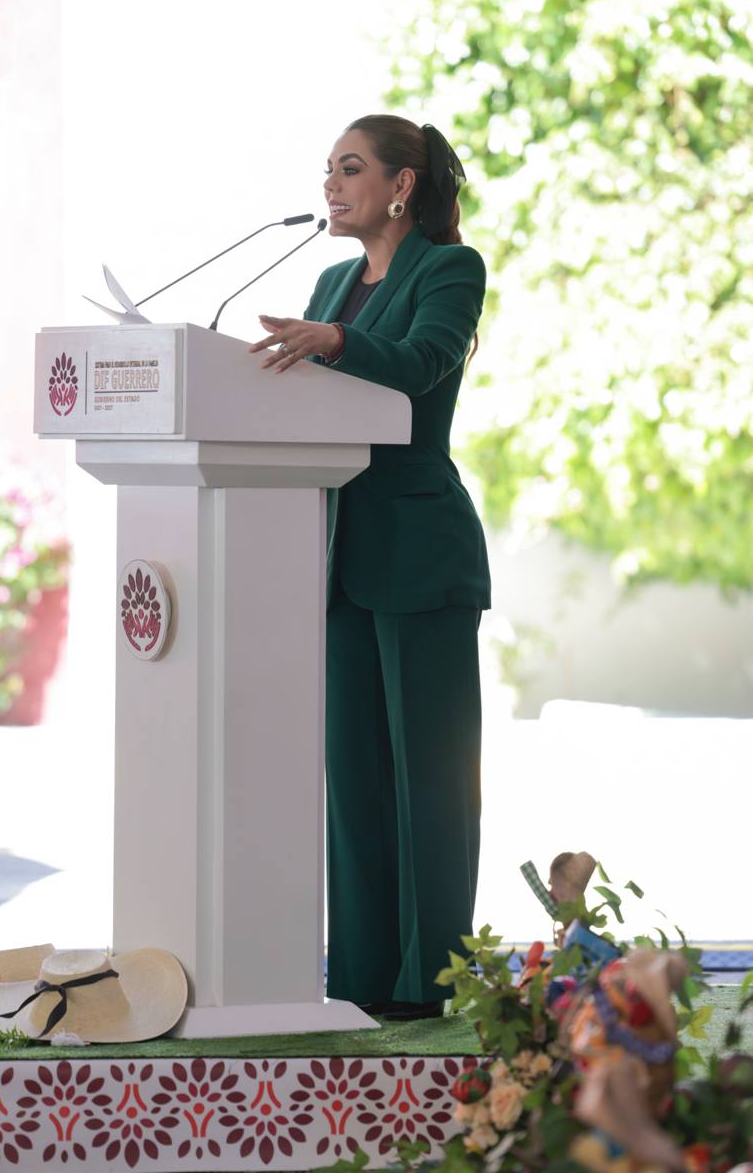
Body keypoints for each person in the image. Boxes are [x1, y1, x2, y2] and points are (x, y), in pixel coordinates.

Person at [248, 114, 491, 1020]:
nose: (330, 184)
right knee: (354, 785)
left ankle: (431, 988)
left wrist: (336, 344)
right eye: (328, 168)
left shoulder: (449, 269)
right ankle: (359, 984)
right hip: (338, 556)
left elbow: (423, 364)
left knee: (431, 783)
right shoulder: (331, 283)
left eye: (349, 168)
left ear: (400, 185)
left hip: (421, 553)